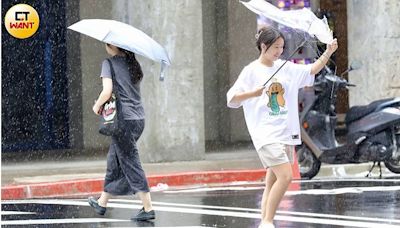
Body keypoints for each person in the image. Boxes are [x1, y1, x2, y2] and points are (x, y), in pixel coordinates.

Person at [226, 26, 338, 228]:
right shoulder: (251, 71)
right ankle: (268, 221)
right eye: (276, 47)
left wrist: (329, 51)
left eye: (282, 47)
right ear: (263, 46)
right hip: (265, 134)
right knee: (286, 176)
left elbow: (311, 70)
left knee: (272, 181)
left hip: (285, 133)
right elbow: (232, 98)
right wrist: (252, 94)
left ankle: (263, 221)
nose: (279, 51)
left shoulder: (285, 67)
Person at [88, 43, 155, 221]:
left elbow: (107, 91)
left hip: (123, 120)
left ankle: (148, 208)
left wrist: (96, 105)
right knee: (115, 159)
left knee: (130, 161)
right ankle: (102, 203)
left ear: (111, 45)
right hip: (138, 119)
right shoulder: (133, 63)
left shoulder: (108, 64)